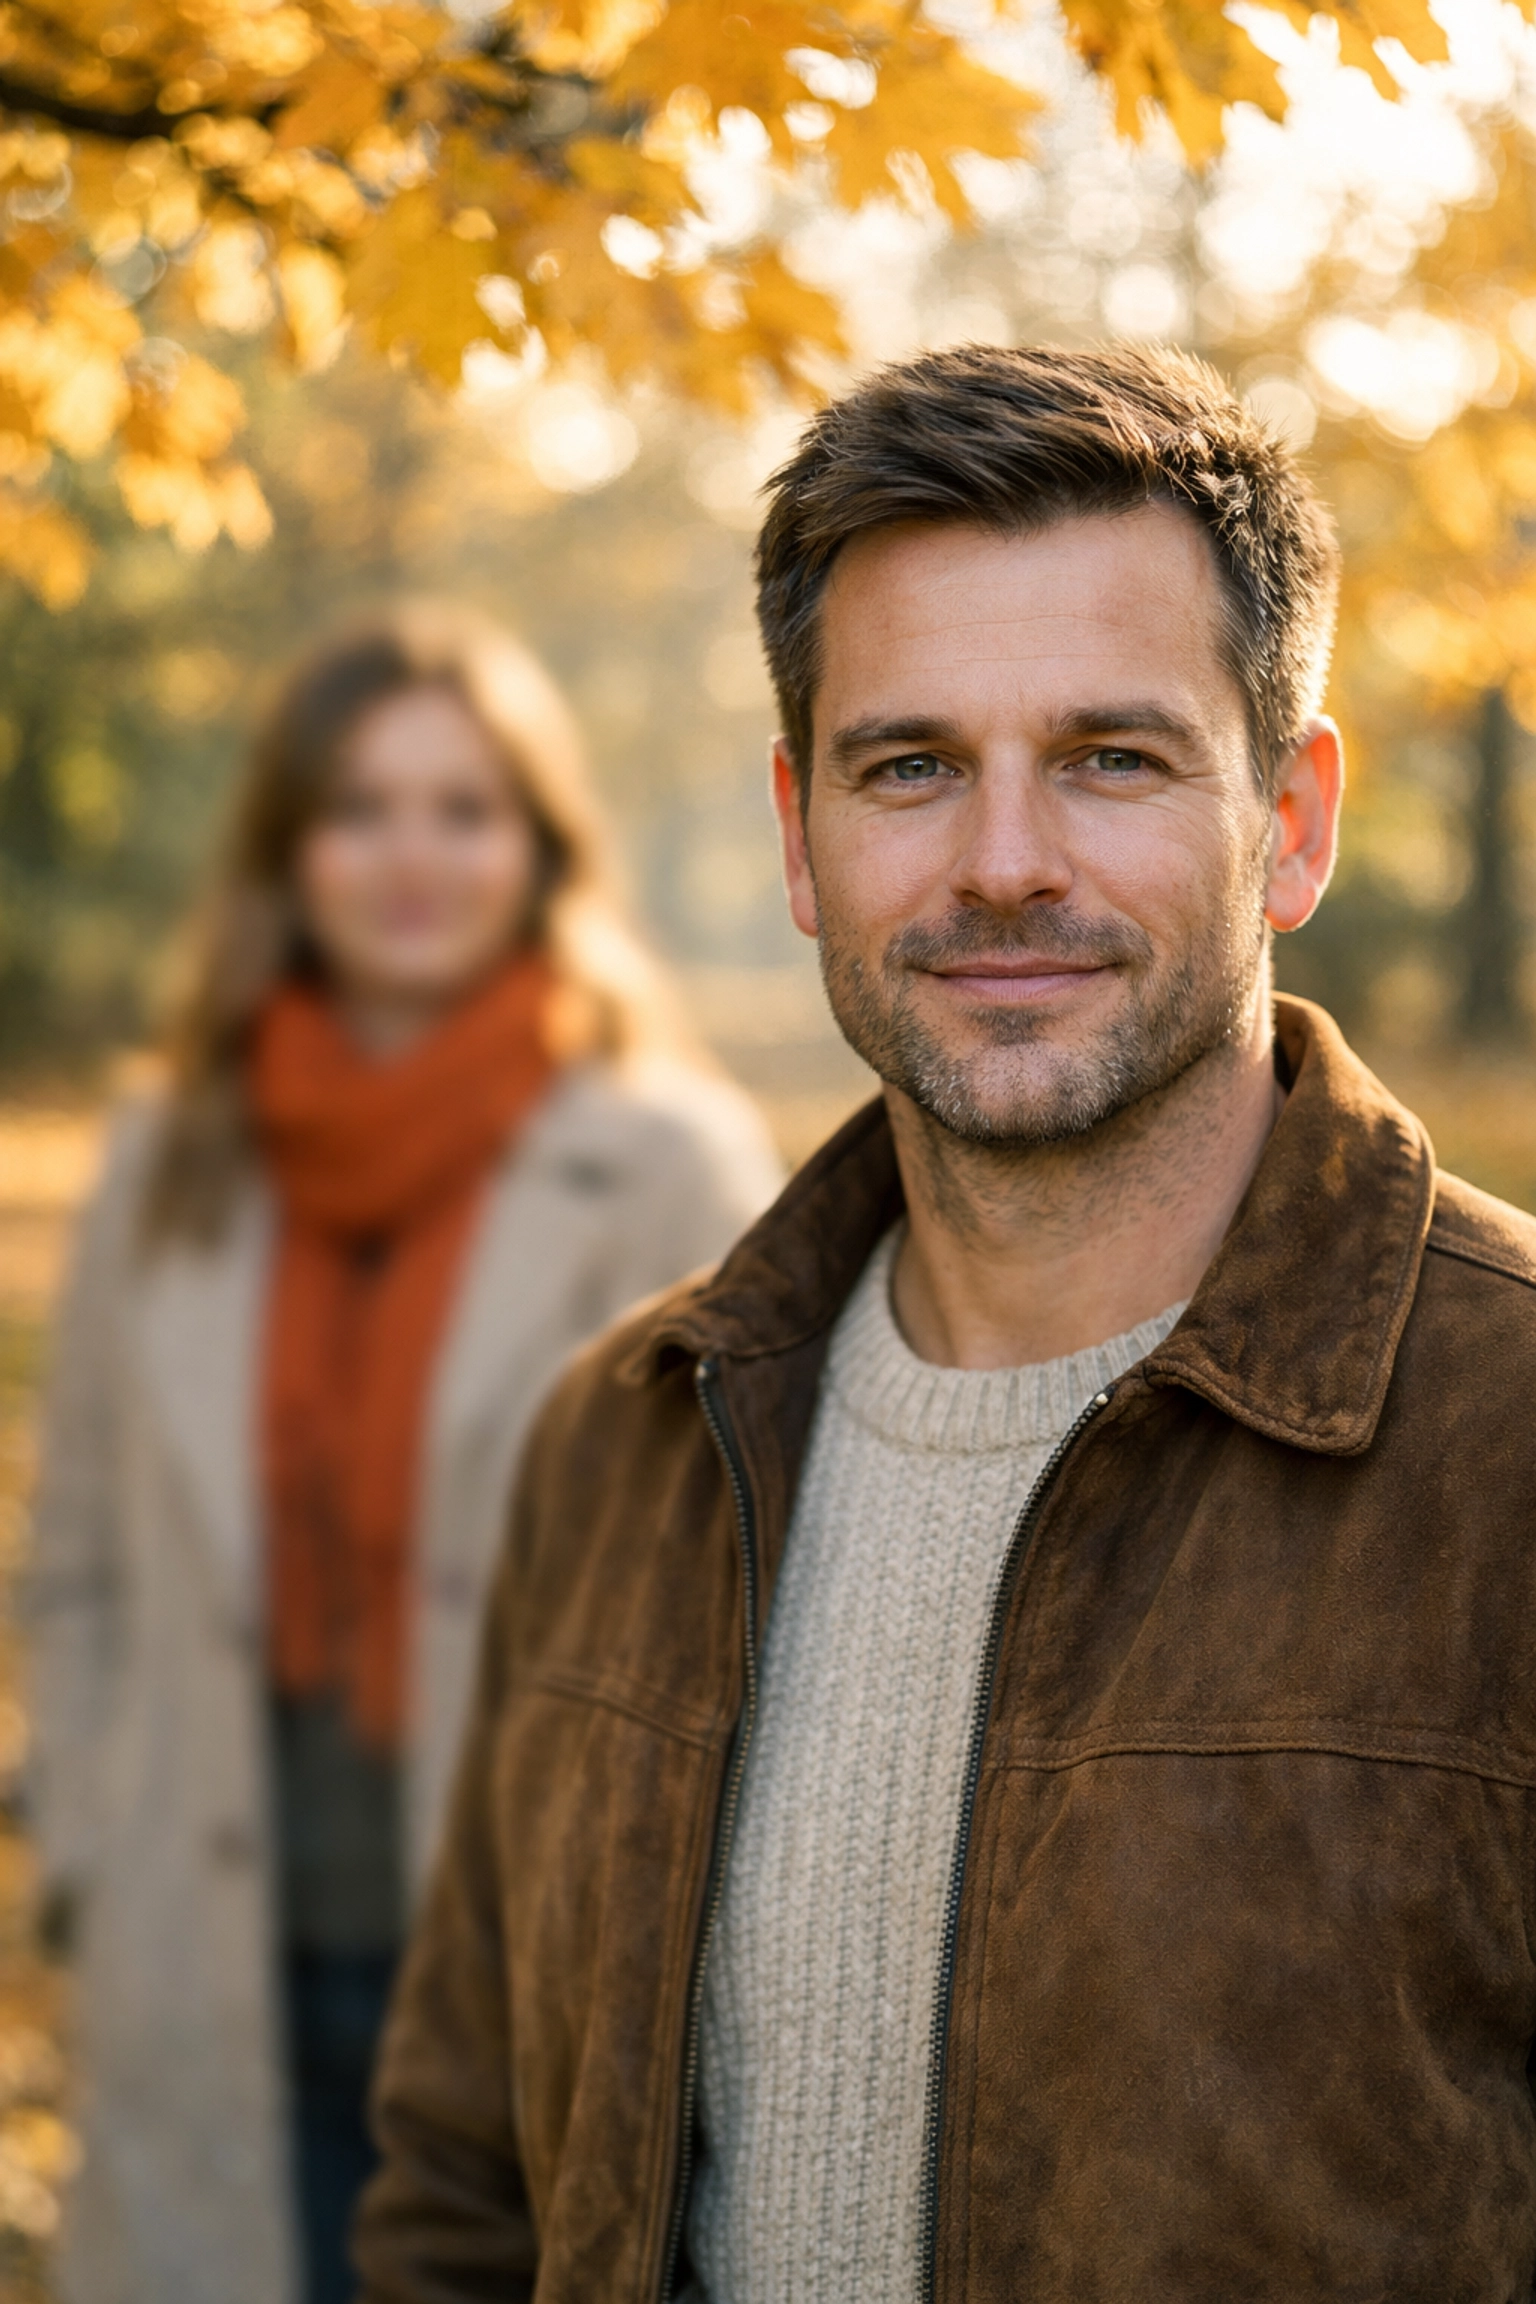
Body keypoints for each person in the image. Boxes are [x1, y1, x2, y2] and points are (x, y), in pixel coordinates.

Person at [356, 345, 1536, 2304]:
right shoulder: (630, 1439)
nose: (1004, 861)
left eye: (1112, 757)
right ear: (805, 836)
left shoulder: (1510, 1451)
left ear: (1295, 822)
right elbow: (466, 2189)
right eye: (911, 765)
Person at [26, 600, 782, 2304]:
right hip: (207, 1948)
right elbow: (75, 1552)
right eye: (360, 809)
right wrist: (87, 1835)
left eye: (464, 808)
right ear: (289, 855)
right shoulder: (169, 1162)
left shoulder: (667, 1167)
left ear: (539, 845)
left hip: (530, 1970)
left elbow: (757, 1580)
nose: (411, 857)